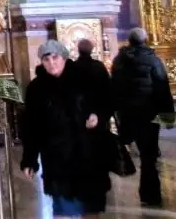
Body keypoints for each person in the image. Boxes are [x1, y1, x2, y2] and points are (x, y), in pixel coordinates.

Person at [21, 40, 111, 216]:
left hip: (87, 154)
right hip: (57, 157)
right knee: (64, 210)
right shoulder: (36, 88)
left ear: (63, 57)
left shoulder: (85, 79)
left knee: (90, 208)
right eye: (46, 60)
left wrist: (96, 115)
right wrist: (29, 159)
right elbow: (31, 127)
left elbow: (105, 101)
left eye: (55, 58)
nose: (51, 63)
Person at [112, 27, 175, 207]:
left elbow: (114, 88)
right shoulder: (152, 60)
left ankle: (147, 192)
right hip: (149, 114)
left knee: (142, 150)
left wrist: (117, 111)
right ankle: (150, 194)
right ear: (145, 40)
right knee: (149, 155)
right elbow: (162, 88)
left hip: (129, 114)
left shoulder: (119, 61)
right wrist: (168, 116)